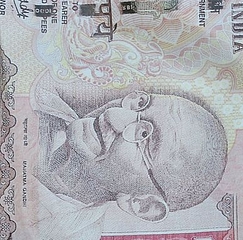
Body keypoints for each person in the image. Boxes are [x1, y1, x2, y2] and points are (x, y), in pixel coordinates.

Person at [33, 74, 228, 226]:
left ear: (143, 204)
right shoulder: (44, 97)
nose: (113, 114)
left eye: (144, 137)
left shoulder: (50, 227)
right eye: (141, 104)